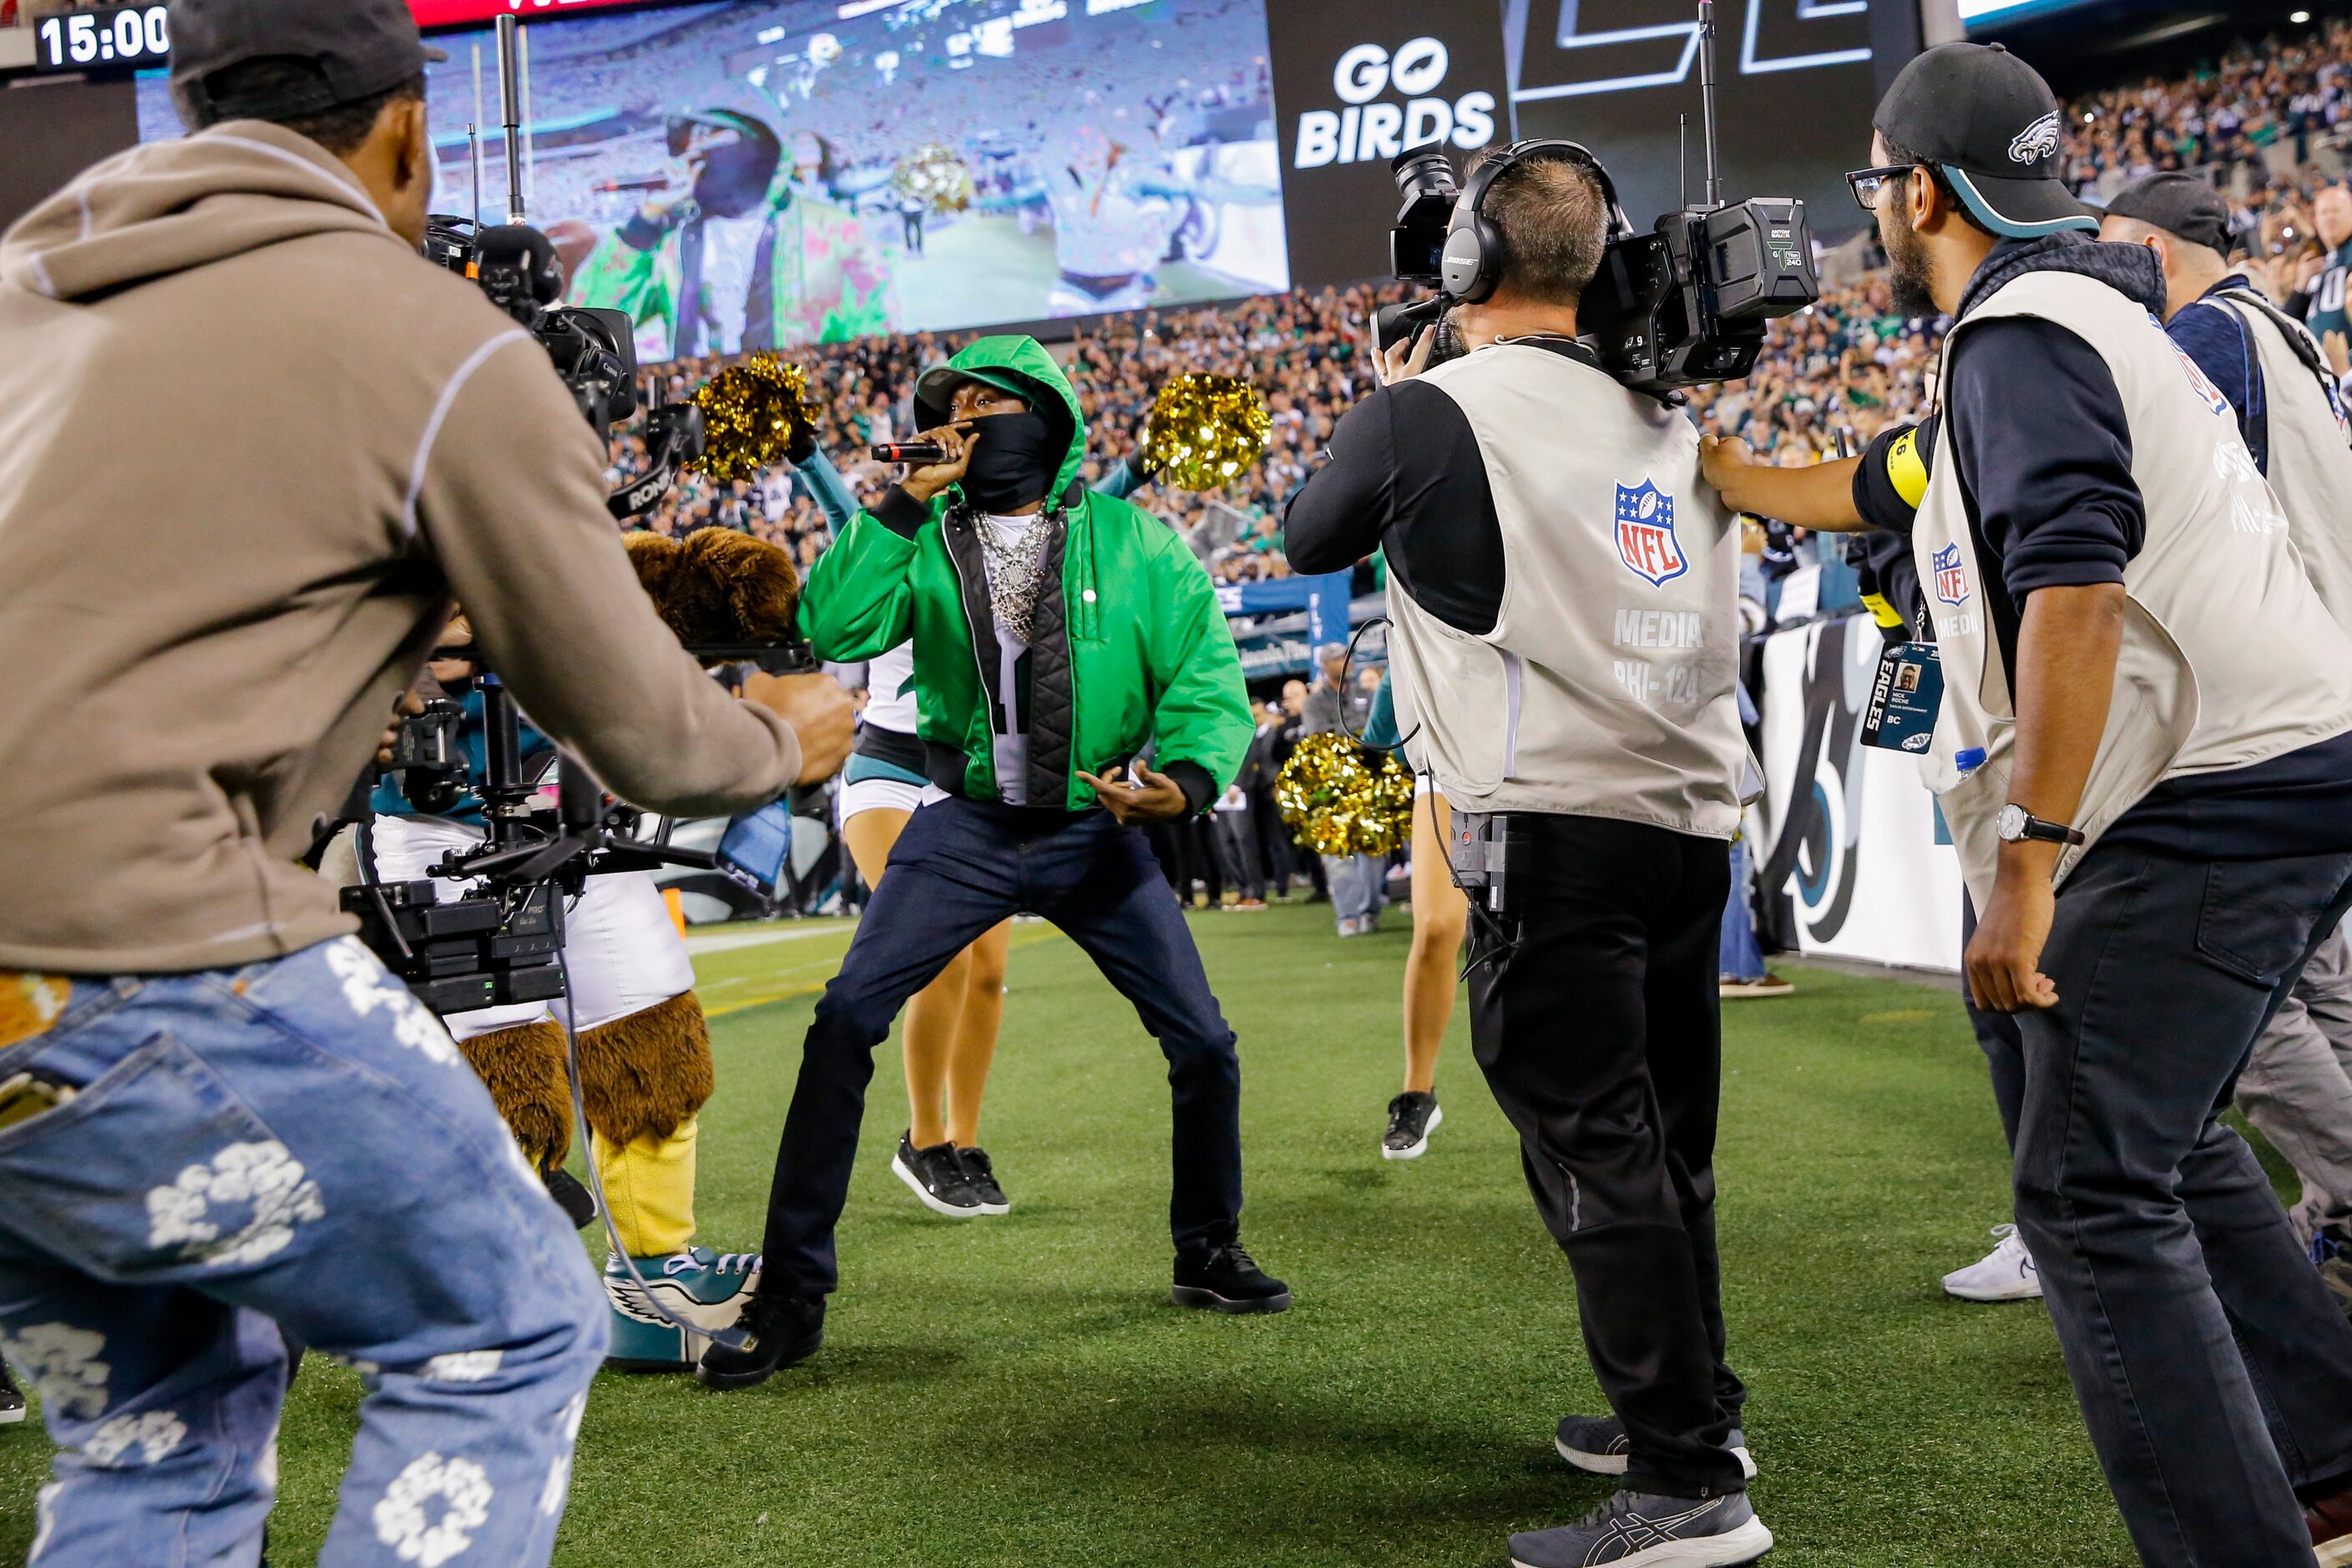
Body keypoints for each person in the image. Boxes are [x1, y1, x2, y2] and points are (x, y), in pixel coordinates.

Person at [0, 3, 855, 1563]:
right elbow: (647, 737)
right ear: (407, 129)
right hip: (116, 943)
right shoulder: (433, 341)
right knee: (508, 1314)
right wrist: (778, 741)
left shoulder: (23, 293)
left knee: (158, 1426)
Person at [1704, 42, 2352, 1565]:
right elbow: (1889, 482)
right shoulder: (2066, 317)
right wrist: (1728, 470)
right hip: (2274, 761)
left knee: (2084, 1187)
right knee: (2164, 1135)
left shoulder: (2018, 335)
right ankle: (2330, 1447)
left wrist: (2030, 862)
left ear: (1919, 188)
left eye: (1877, 182)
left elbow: (2073, 583)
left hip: (2209, 786)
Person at [1287, 144, 1770, 1566]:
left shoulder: (1428, 405)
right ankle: (1693, 1411)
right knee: (1666, 1149)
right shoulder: (1662, 408)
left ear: (1456, 271)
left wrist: (1409, 384)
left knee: (1593, 1153)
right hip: (1688, 823)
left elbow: (1313, 533)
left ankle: (1688, 1483)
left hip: (1552, 826)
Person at [699, 334, 1285, 1393]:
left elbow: (1204, 668)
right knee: (842, 1021)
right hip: (962, 823)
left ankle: (1207, 1246)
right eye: (950, 405)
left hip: (1091, 832)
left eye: (984, 405)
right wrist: (892, 507)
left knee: (1203, 1041)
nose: (962, 421)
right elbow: (831, 622)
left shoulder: (1137, 542)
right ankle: (791, 1293)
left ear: (1043, 420)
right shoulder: (921, 532)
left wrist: (1188, 781)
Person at [352, 611, 765, 1374]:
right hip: (434, 822)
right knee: (504, 1070)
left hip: (569, 816)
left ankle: (653, 1274)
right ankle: (465, 1300)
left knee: (648, 1033)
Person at [2102, 175, 2352, 1281]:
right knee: (2324, 981)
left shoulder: (2203, 335)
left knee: (2232, 1015)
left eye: (2114, 251)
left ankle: (2349, 1186)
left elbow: (2167, 509)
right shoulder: (2286, 330)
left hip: (2266, 714)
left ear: (2154, 249)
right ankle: (2338, 1204)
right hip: (2329, 689)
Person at [1366, 669, 1465, 1159]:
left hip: (1543, 753)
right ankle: (1418, 1092)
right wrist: (1372, 748)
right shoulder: (1421, 590)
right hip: (1448, 756)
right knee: (1436, 927)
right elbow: (1399, 662)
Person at [1302, 645, 1386, 936]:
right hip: (1332, 785)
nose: (1347, 661)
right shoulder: (1314, 702)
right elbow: (1319, 738)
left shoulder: (1368, 694)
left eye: (1348, 656)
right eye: (1340, 658)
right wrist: (1355, 732)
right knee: (1339, 854)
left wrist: (1344, 731)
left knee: (1374, 852)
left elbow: (1377, 731)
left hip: (1368, 781)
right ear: (1326, 665)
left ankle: (1369, 911)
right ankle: (1348, 915)